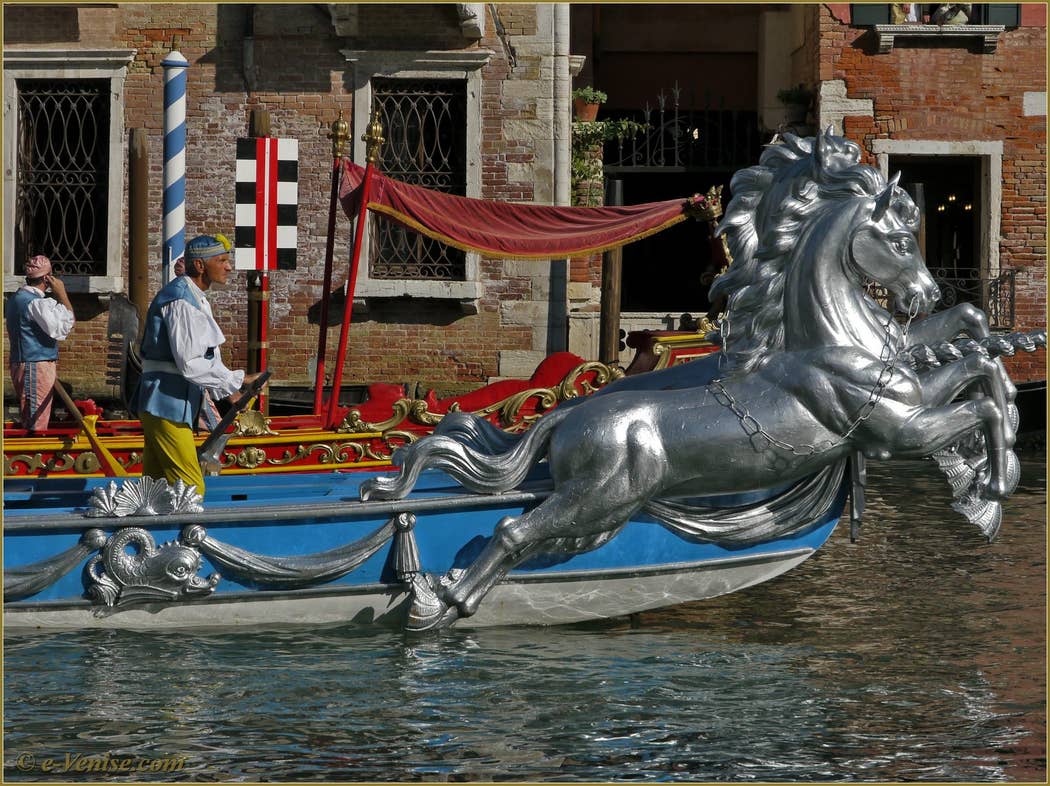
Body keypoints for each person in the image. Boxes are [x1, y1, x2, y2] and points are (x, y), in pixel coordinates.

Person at [133, 234, 264, 494]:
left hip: (167, 402)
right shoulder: (182, 300)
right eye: (222, 260)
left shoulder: (195, 298)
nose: (229, 267)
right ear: (201, 266)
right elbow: (191, 363)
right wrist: (239, 379)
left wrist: (230, 393)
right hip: (165, 403)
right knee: (191, 489)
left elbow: (206, 358)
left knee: (155, 489)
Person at [5, 255, 75, 433]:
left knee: (32, 415)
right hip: (35, 365)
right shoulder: (35, 303)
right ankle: (34, 453)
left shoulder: (17, 298)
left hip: (26, 362)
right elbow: (62, 329)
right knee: (36, 419)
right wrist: (62, 294)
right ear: (47, 278)